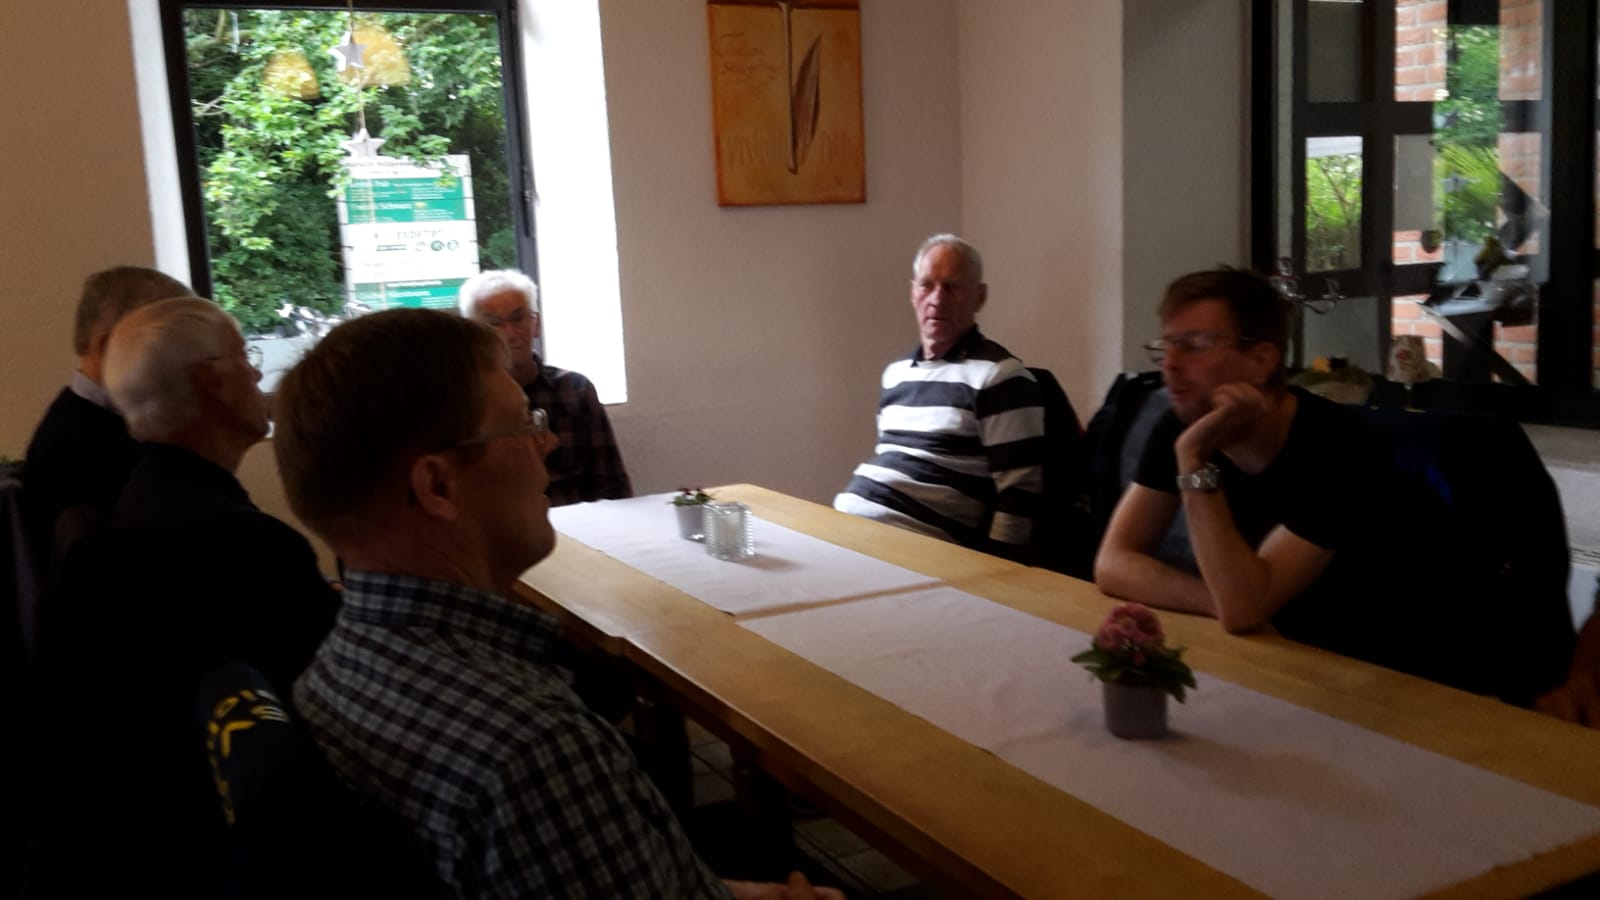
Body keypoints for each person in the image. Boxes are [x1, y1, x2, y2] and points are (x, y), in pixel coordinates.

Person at [275, 308, 840, 899]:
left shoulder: (332, 668)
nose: (548, 443)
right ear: (438, 486)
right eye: (521, 426)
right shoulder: (530, 752)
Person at [26, 297, 338, 899]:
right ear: (212, 381)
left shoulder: (136, 516)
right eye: (244, 357)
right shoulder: (247, 546)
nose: (256, 372)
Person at [1094, 268, 1392, 655]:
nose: (1169, 364)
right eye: (1167, 345)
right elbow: (1112, 563)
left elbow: (1244, 609)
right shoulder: (1182, 423)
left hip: (1359, 665)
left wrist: (1194, 458)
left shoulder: (1339, 444)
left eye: (1195, 345)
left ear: (1261, 360)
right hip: (1259, 651)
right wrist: (1217, 600)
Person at [833, 233, 1046, 562]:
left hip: (915, 549)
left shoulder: (1000, 377)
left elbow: (1020, 491)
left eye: (952, 286)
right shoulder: (896, 374)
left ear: (980, 296)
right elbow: (895, 463)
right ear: (913, 292)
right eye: (927, 285)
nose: (937, 299)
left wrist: (1000, 572)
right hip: (847, 529)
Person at [22, 265, 196, 561]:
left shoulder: (99, 421)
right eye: (167, 340)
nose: (181, 358)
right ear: (108, 345)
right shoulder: (79, 443)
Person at [458, 269, 632, 506]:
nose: (510, 334)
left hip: (581, 523)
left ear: (536, 324)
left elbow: (613, 486)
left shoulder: (575, 390)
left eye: (517, 319)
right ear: (474, 334)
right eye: (494, 323)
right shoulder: (463, 401)